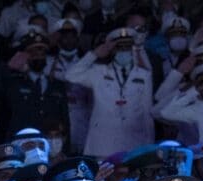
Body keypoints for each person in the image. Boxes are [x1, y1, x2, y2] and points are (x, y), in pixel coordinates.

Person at [62, 28, 155, 158]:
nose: (124, 51)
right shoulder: (99, 72)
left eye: (127, 48)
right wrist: (94, 54)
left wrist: (149, 144)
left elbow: (147, 111)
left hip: (133, 143)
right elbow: (70, 75)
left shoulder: (144, 74)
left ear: (132, 49)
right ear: (112, 50)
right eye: (120, 48)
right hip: (103, 144)